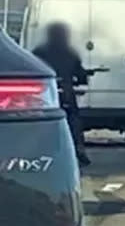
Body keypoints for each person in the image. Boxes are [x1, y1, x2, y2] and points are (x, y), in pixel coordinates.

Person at [32, 22, 91, 166]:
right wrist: (83, 77)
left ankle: (36, 151)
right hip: (66, 92)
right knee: (74, 119)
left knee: (38, 122)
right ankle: (79, 149)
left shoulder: (39, 51)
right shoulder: (70, 52)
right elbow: (80, 74)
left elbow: (31, 68)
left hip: (45, 94)